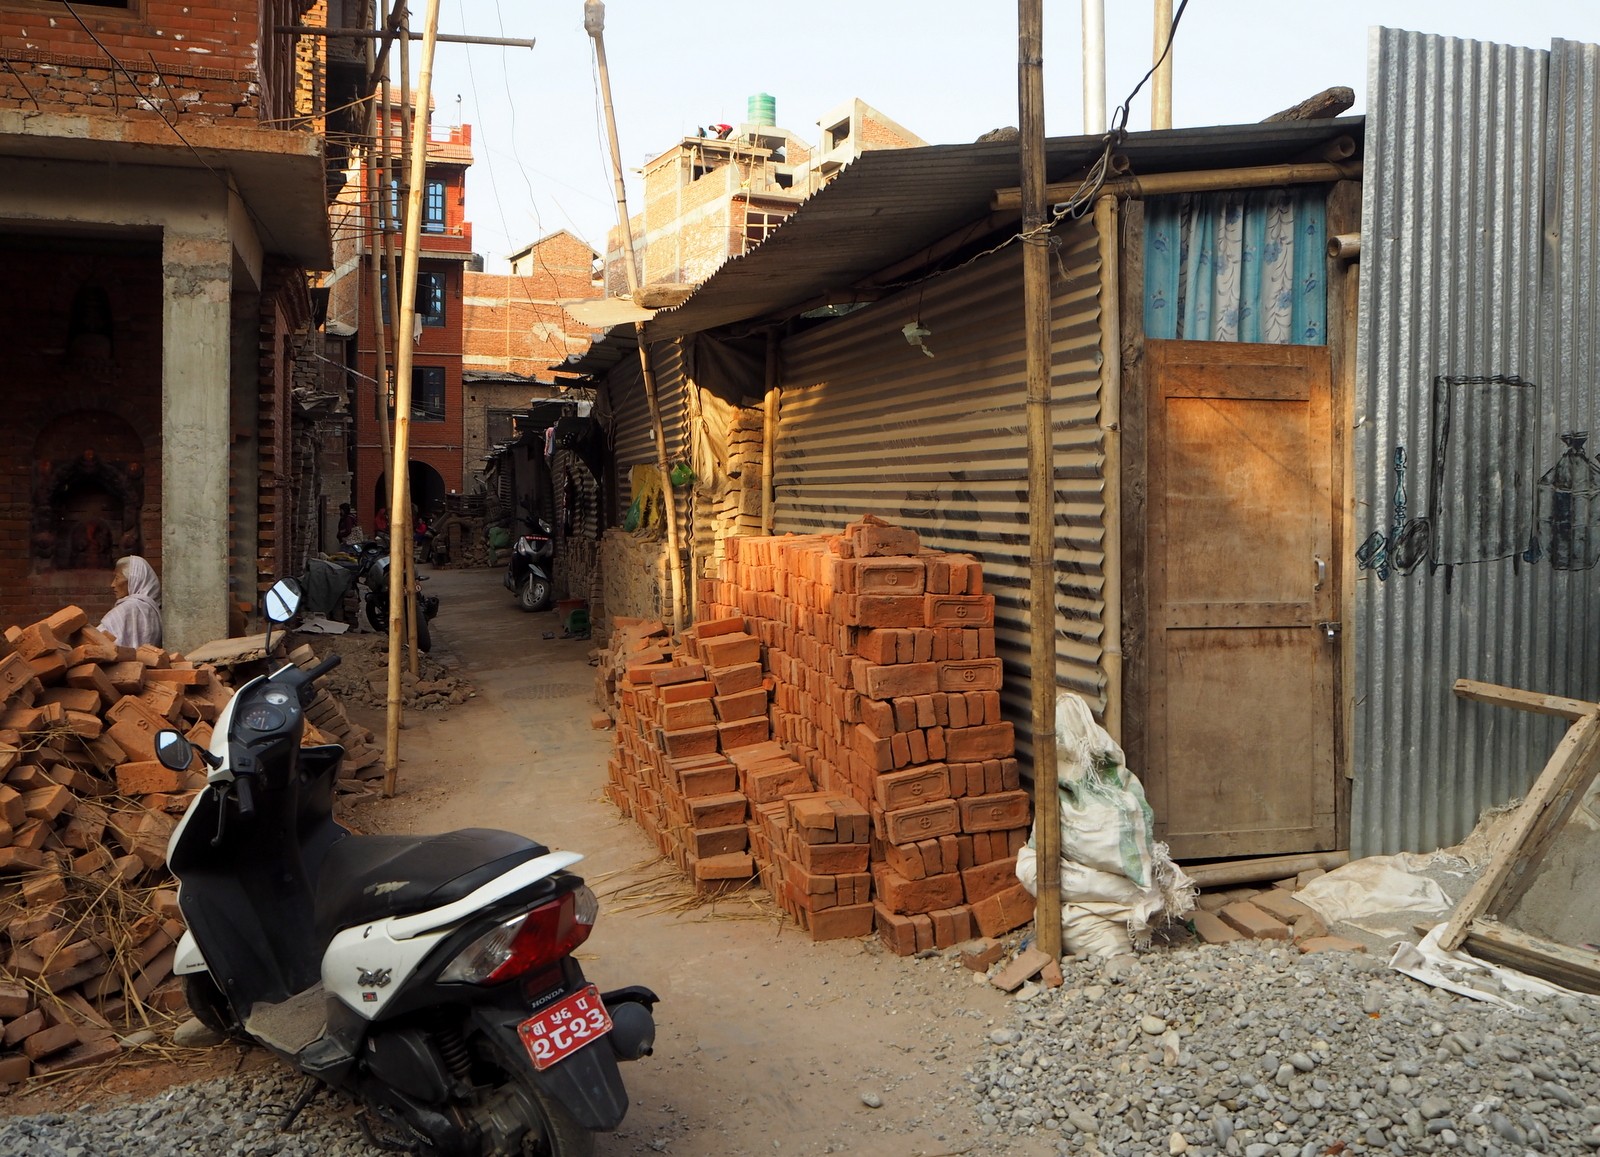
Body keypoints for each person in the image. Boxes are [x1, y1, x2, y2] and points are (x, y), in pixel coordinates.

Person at [99, 555, 162, 648]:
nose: (112, 584)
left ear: (134, 580)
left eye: (117, 578)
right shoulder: (152, 610)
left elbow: (97, 638)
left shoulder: (129, 608)